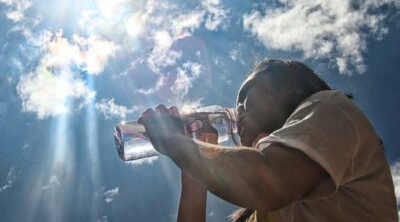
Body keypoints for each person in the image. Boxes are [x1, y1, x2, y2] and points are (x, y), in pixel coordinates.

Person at [138, 59, 398, 222]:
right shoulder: (256, 213)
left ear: (290, 89)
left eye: (245, 96)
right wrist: (194, 170)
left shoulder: (329, 107)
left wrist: (175, 144)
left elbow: (270, 180)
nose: (237, 111)